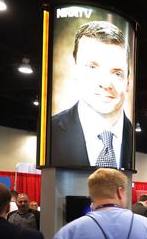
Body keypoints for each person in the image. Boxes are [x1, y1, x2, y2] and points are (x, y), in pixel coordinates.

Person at [50, 21, 133, 169]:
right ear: (75, 70)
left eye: (117, 73)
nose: (106, 83)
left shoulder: (133, 136)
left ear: (128, 80)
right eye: (92, 67)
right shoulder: (50, 131)